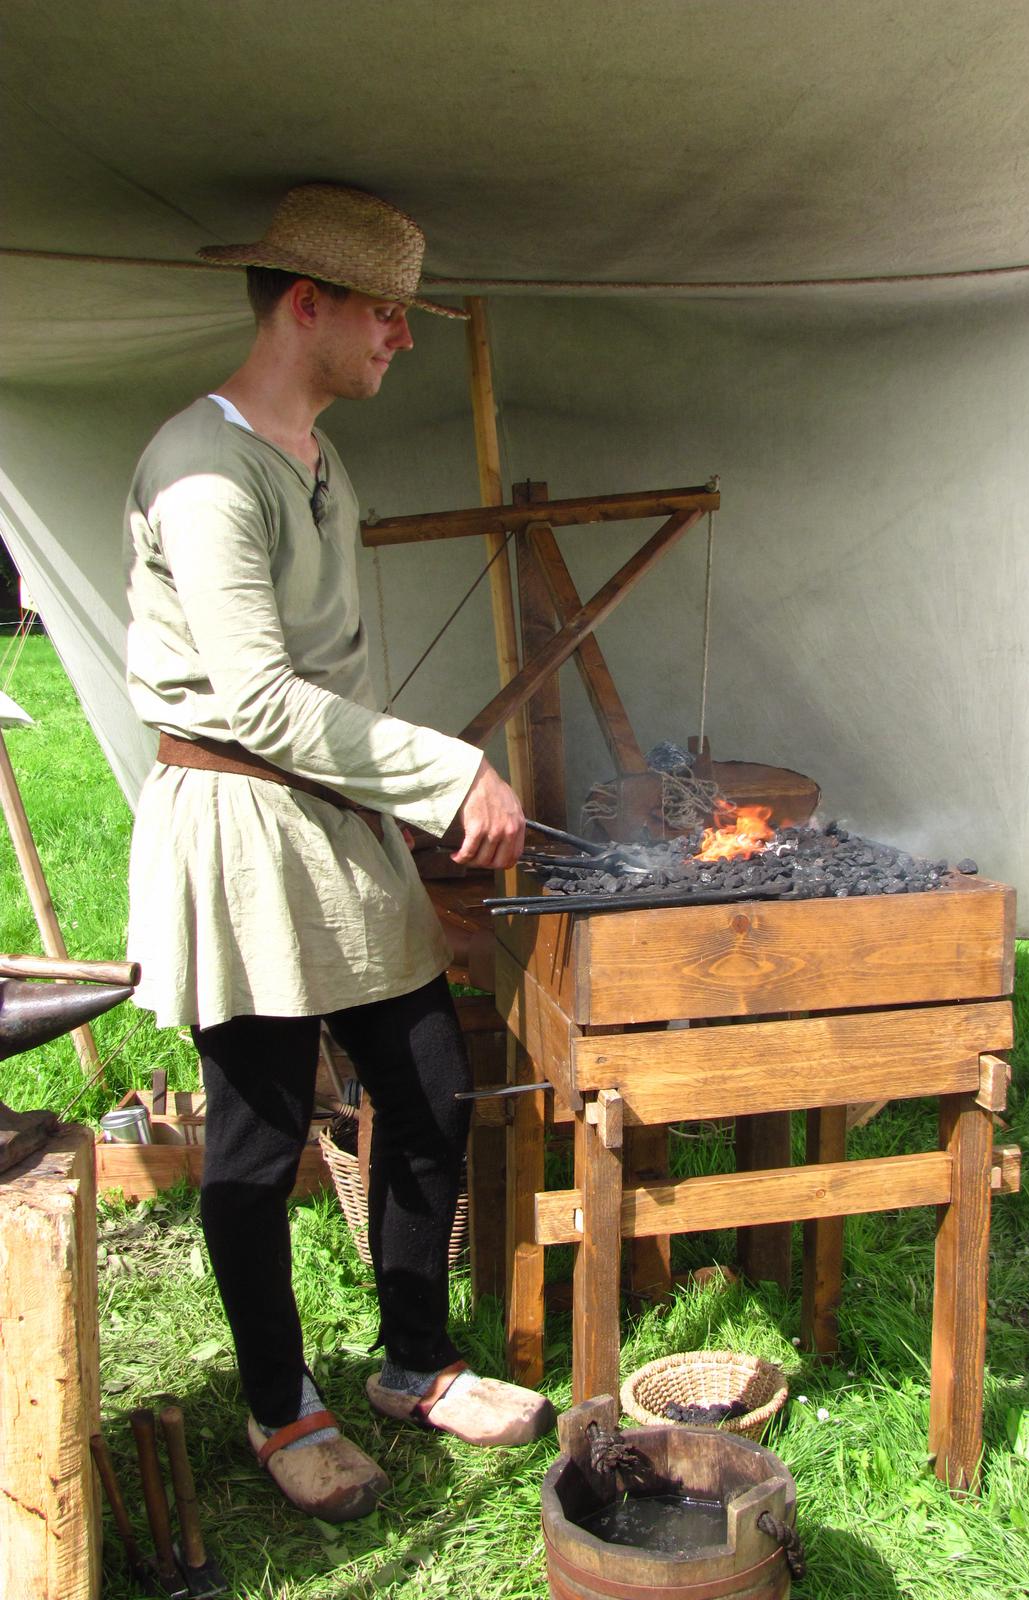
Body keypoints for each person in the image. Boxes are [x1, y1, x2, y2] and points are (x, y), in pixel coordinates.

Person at [123, 183, 553, 1523]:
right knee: (257, 1143)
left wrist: (392, 799)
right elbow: (255, 701)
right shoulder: (205, 472)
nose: (402, 338)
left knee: (427, 1093)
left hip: (335, 826)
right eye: (386, 313)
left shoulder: (314, 455)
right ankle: (280, 1404)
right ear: (306, 304)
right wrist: (448, 773)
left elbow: (327, 678)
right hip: (241, 829)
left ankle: (414, 1363)